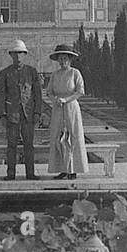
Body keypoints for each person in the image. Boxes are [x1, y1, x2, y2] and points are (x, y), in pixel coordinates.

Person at [0, 39, 43, 181]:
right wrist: (2, 114)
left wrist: (37, 112)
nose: (17, 57)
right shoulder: (5, 73)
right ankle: (11, 174)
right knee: (11, 145)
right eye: (15, 54)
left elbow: (37, 94)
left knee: (29, 145)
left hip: (28, 114)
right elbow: (1, 95)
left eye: (20, 53)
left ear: (25, 54)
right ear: (11, 55)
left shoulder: (31, 71)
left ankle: (30, 173)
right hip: (12, 114)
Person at [46, 44, 88, 180]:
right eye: (60, 59)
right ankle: (63, 169)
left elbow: (80, 91)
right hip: (58, 109)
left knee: (72, 137)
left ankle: (73, 169)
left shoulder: (75, 73)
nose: (62, 61)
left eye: (65, 59)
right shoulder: (55, 75)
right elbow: (49, 92)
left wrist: (66, 99)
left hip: (71, 108)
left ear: (70, 60)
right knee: (59, 138)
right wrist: (55, 100)